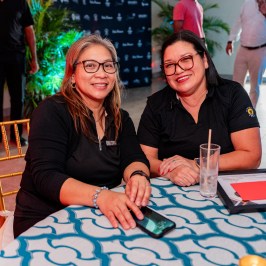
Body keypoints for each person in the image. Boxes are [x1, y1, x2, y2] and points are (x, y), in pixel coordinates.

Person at [13, 34, 151, 237]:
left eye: (107, 65)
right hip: (45, 220)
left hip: (95, 217)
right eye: (90, 65)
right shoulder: (52, 111)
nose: (101, 73)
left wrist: (138, 176)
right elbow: (47, 177)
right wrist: (101, 196)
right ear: (72, 74)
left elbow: (135, 158)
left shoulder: (121, 118)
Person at [137, 30, 262, 187]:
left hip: (225, 189)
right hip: (174, 191)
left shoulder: (232, 94)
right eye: (170, 65)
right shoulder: (156, 105)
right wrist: (170, 171)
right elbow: (144, 159)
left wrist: (197, 164)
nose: (179, 70)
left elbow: (252, 156)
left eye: (186, 59)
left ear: (204, 60)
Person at [0, 0, 39, 146]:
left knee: (18, 98)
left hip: (17, 56)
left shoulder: (20, 2)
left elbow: (29, 30)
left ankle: (16, 136)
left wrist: (34, 59)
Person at [225, 0, 266, 108]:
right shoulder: (247, 3)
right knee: (236, 84)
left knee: (254, 86)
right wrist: (231, 40)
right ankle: (236, 110)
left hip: (260, 50)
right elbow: (239, 22)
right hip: (242, 49)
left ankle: (250, 114)